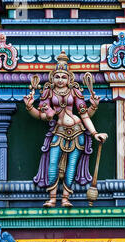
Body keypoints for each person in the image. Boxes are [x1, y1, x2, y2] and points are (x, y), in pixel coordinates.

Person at [23, 51, 108, 207]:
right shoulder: (48, 93)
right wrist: (30, 108)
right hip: (59, 131)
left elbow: (84, 115)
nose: (60, 80)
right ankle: (52, 198)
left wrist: (94, 128)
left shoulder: (74, 92)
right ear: (52, 78)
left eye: (63, 77)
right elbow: (43, 116)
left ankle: (66, 198)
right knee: (53, 162)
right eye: (57, 77)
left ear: (69, 79)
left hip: (77, 131)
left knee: (72, 165)